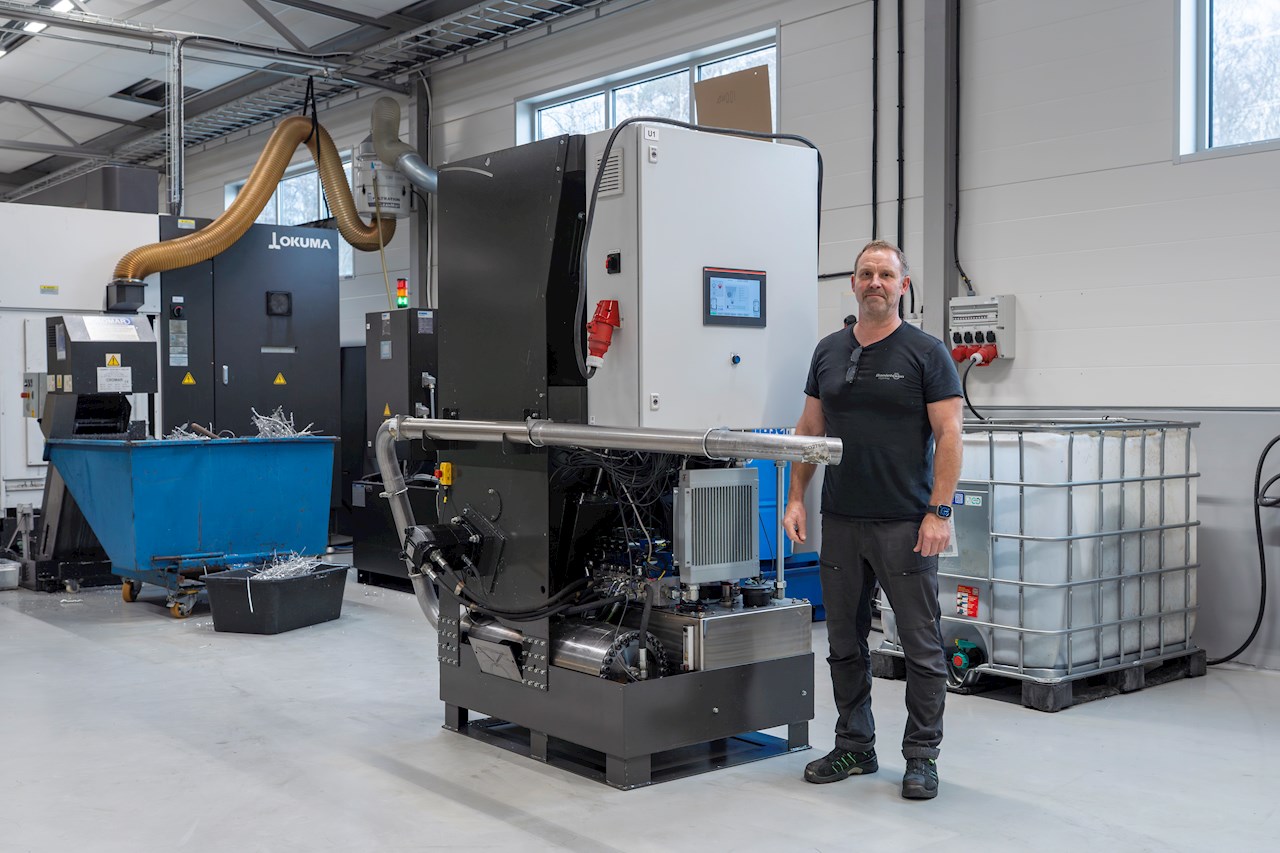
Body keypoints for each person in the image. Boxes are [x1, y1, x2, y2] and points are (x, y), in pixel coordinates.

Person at [783, 239, 963, 800]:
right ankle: (855, 746)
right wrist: (795, 497)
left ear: (902, 286)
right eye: (866, 274)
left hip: (905, 523)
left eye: (886, 274)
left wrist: (938, 512)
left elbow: (950, 435)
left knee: (921, 646)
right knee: (843, 642)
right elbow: (809, 430)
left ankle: (922, 757)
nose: (875, 283)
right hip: (841, 519)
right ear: (854, 284)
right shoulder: (828, 351)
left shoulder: (926, 353)